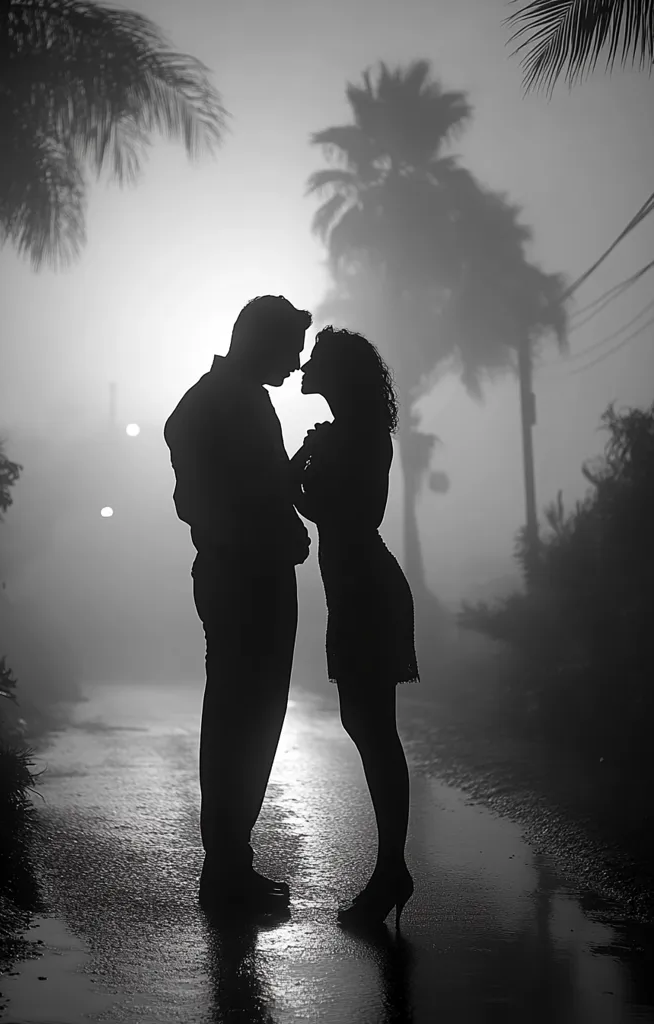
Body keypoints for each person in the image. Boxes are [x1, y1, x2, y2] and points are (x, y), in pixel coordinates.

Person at [164, 295, 312, 913]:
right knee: (245, 716)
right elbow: (206, 495)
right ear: (261, 341)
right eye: (289, 350)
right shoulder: (226, 400)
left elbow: (243, 485)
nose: (295, 365)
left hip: (244, 570)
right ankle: (226, 866)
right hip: (246, 575)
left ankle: (229, 860)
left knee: (243, 714)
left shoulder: (227, 397)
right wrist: (261, 529)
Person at [290, 326, 418, 929]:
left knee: (374, 731)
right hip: (355, 589)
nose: (305, 368)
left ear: (338, 375)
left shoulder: (361, 435)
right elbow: (310, 497)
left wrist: (303, 470)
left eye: (316, 360)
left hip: (366, 589)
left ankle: (391, 868)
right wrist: (307, 461)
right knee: (367, 727)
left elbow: (349, 513)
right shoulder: (346, 433)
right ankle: (391, 867)